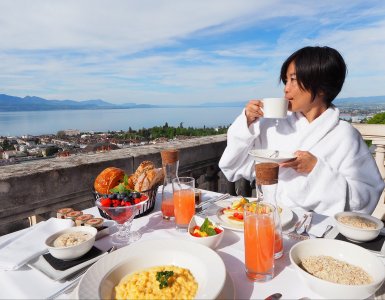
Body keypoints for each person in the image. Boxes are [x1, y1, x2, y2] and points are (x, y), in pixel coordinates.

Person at [219, 46, 385, 216]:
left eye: (294, 79)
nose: (286, 88)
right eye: (286, 80)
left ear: (321, 88)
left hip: (318, 228)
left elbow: (366, 198)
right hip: (268, 217)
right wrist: (247, 122)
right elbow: (232, 166)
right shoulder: (273, 126)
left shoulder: (345, 136)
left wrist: (316, 169)